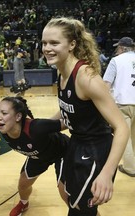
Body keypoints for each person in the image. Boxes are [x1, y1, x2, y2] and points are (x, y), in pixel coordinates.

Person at [41, 17, 129, 216]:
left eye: (54, 43)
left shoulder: (86, 78)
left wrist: (107, 173)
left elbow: (121, 127)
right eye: (44, 43)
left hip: (96, 150)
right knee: (68, 194)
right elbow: (68, 114)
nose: (47, 48)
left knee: (79, 210)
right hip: (77, 144)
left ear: (72, 44)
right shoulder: (61, 72)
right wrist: (39, 126)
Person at [0, 96, 69, 216]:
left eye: (4, 113)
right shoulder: (3, 128)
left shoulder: (36, 128)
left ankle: (81, 211)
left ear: (18, 116)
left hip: (63, 152)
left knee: (65, 193)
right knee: (23, 184)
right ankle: (24, 203)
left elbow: (67, 123)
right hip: (39, 156)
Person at [103, 37, 135, 177]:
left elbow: (106, 85)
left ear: (122, 48)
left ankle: (130, 168)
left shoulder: (116, 60)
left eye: (118, 47)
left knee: (125, 137)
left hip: (123, 104)